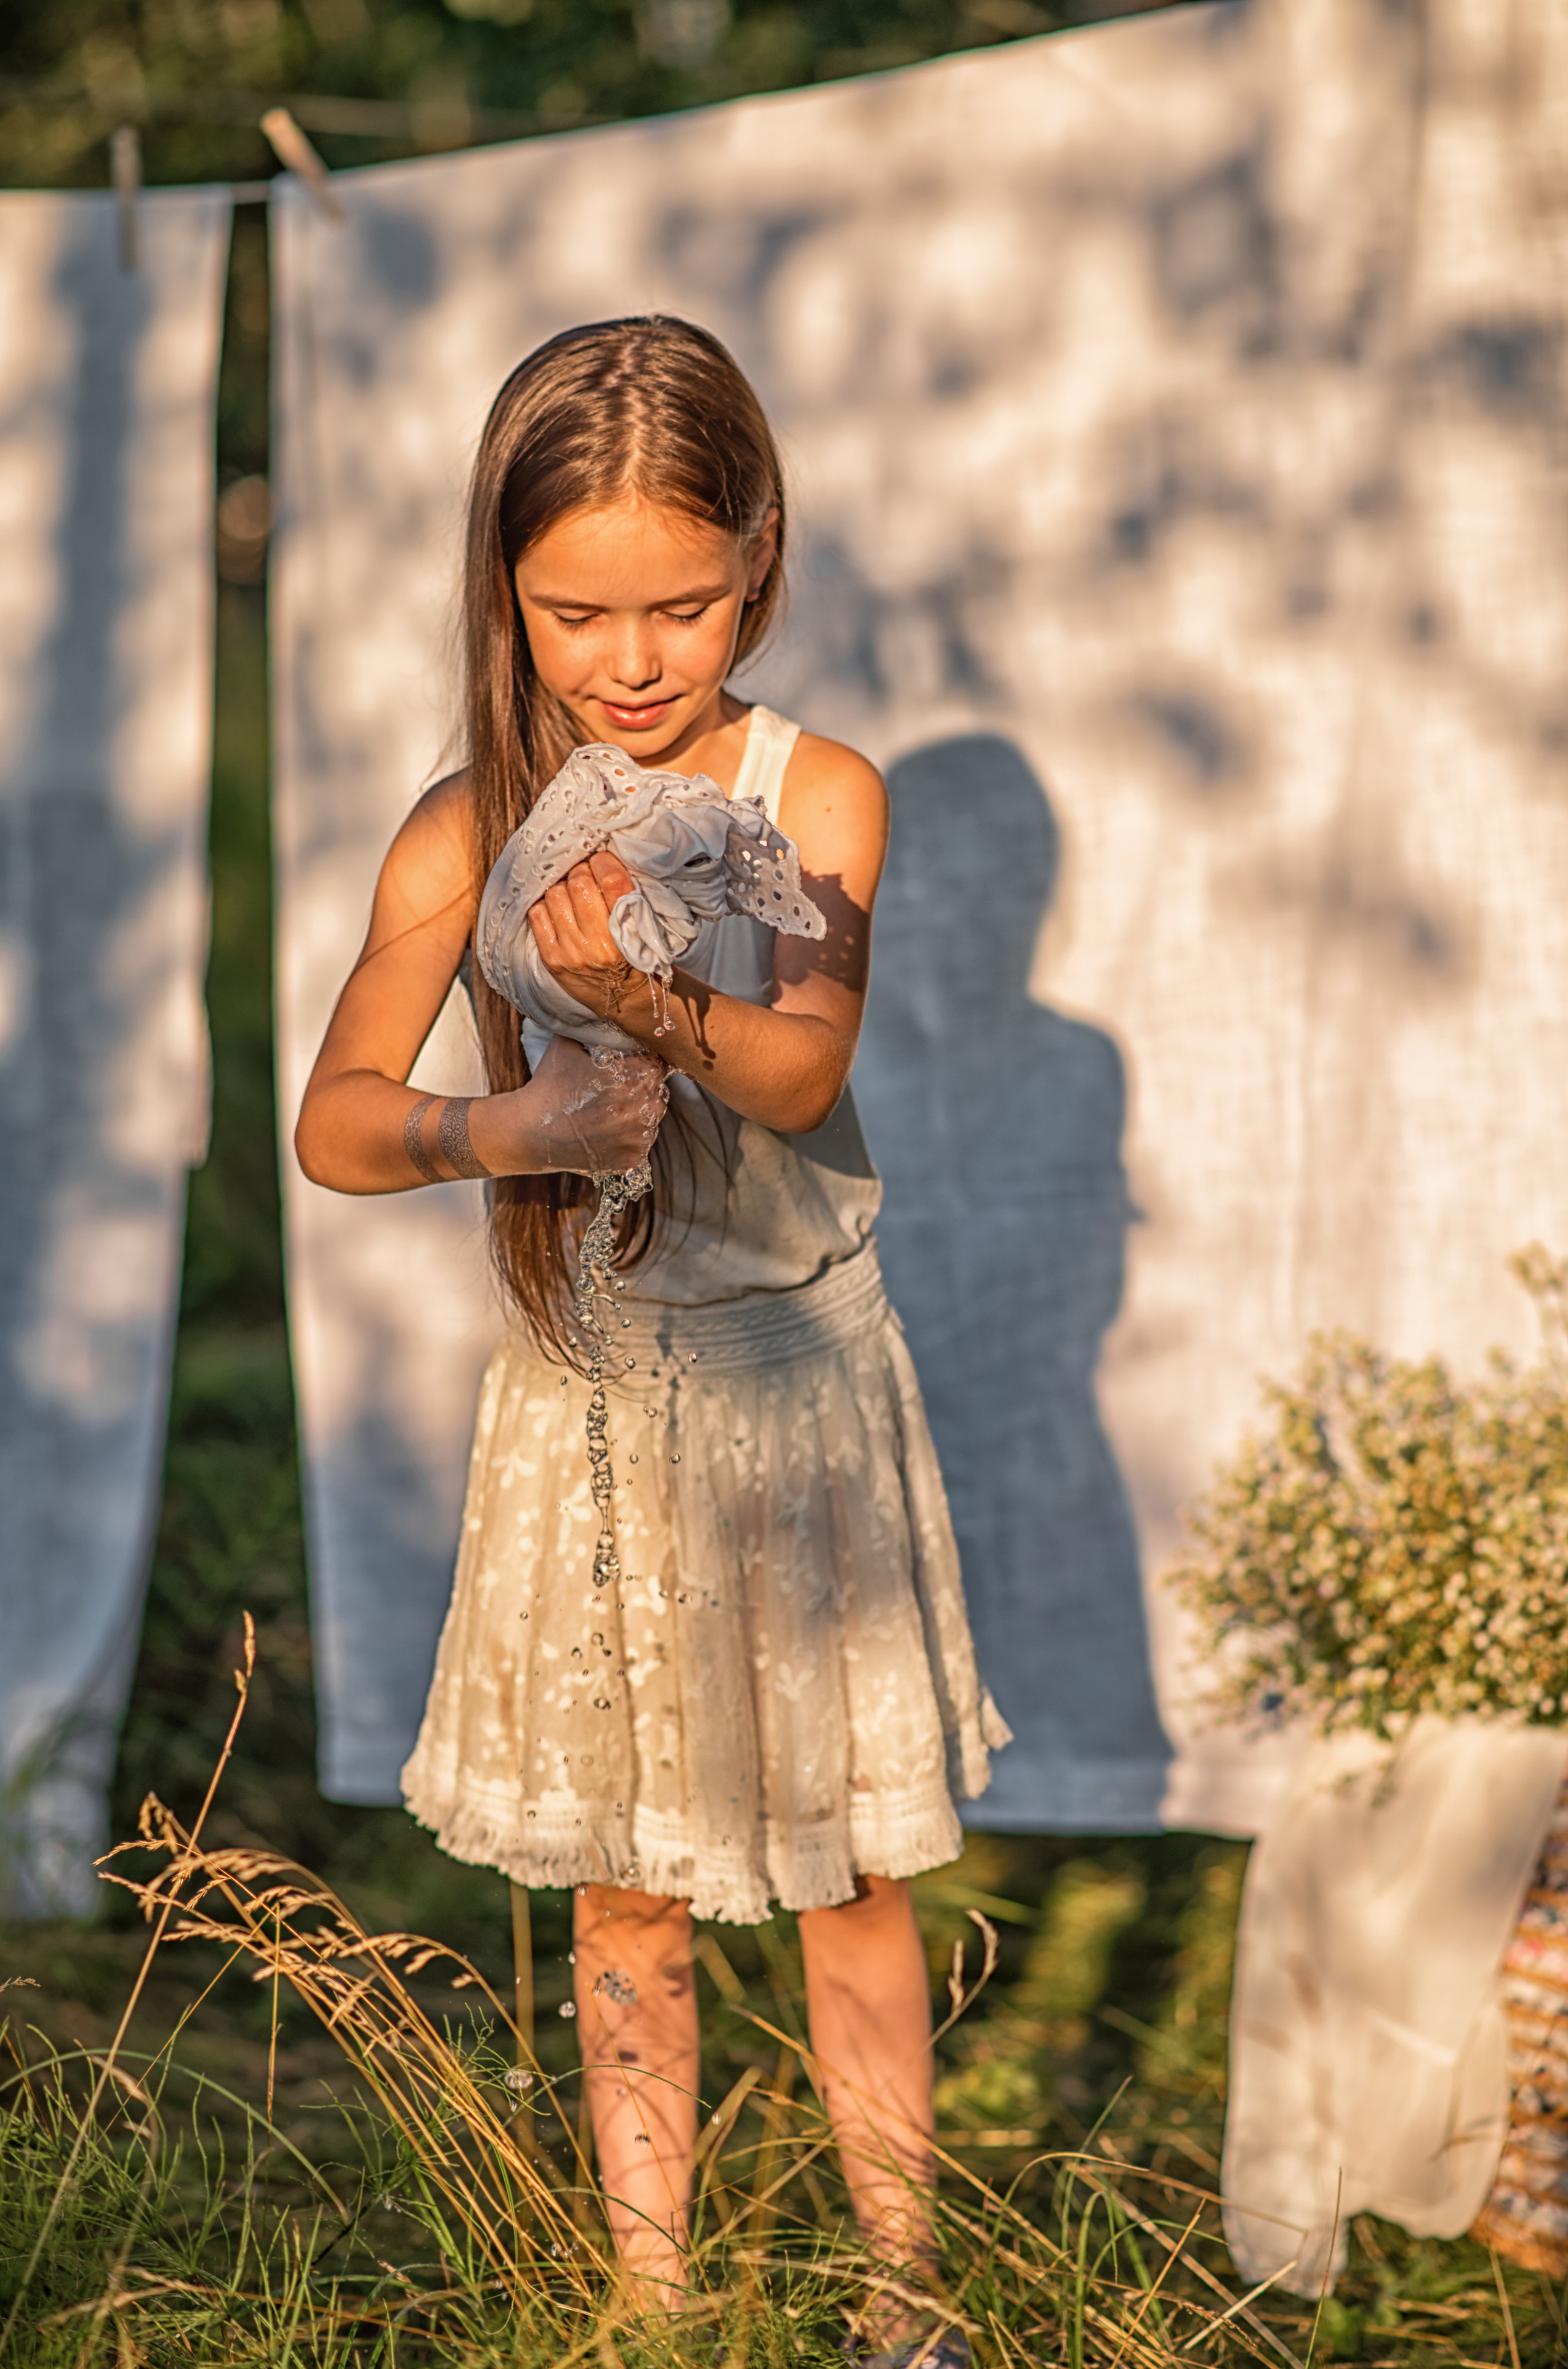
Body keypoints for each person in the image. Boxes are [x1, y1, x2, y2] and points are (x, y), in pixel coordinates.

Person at [296, 315, 1007, 2360]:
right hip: (597, 1408)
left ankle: (901, 2297)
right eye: (572, 611)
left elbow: (794, 1075)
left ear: (760, 558)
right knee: (625, 1886)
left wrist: (649, 1003)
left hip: (795, 1395)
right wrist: (491, 1123)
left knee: (848, 1871)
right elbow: (337, 1124)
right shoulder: (468, 826)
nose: (627, 658)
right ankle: (649, 2304)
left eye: (680, 607)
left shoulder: (818, 798)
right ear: (503, 593)